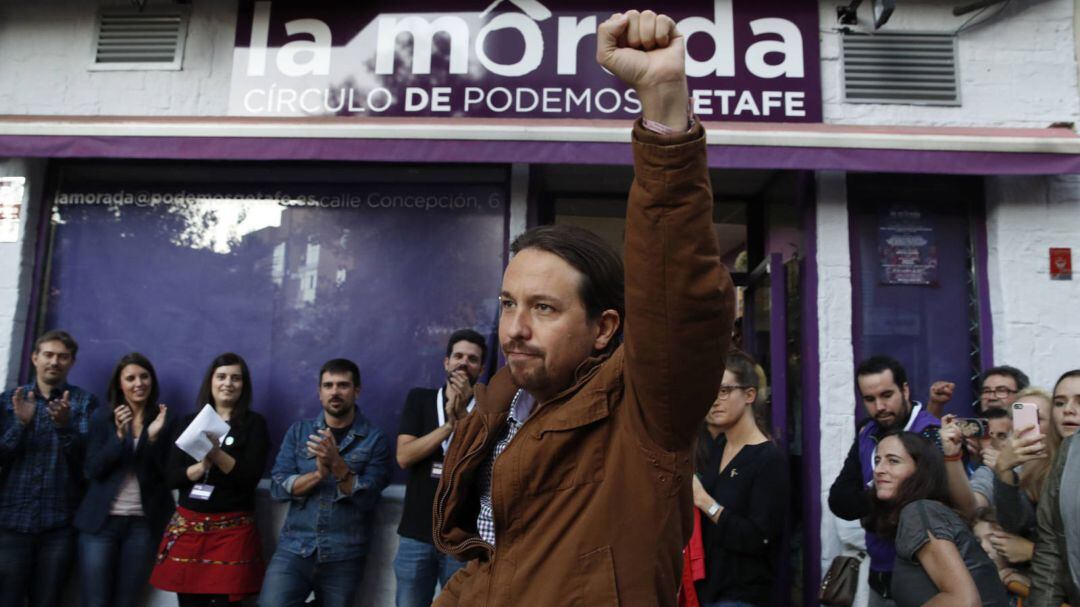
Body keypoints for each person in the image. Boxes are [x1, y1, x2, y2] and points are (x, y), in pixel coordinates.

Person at [431, 11, 734, 605]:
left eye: (544, 308)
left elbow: (682, 301)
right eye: (508, 303)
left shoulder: (646, 411)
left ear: (604, 329)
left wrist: (665, 109)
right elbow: (496, 556)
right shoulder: (500, 402)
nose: (515, 329)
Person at [828, 355, 976, 607]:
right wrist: (889, 499)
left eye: (887, 395)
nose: (879, 407)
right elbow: (839, 501)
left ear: (905, 390)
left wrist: (872, 504)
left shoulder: (932, 433)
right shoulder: (867, 431)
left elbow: (948, 506)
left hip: (927, 575)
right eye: (870, 399)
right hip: (879, 572)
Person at [260, 358, 392, 607]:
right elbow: (278, 488)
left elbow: (368, 498)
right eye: (328, 385)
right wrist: (318, 475)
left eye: (343, 385)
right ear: (319, 392)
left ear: (356, 391)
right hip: (295, 548)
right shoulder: (299, 432)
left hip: (345, 553)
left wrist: (337, 464)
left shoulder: (375, 440)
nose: (335, 392)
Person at [150, 353, 270, 607]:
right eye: (222, 377)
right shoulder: (188, 422)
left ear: (244, 385)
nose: (228, 383)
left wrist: (215, 453)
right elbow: (172, 477)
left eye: (236, 378)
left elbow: (248, 478)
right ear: (211, 381)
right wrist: (202, 465)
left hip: (232, 533)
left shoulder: (254, 424)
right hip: (189, 529)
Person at [0, 330, 99, 607]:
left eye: (62, 356)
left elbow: (88, 464)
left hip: (58, 525)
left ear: (72, 362)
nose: (54, 362)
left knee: (48, 600)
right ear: (34, 358)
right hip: (11, 522)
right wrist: (20, 425)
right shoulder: (9, 400)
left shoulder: (83, 402)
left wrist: (64, 427)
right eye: (48, 355)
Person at [74, 352, 176, 607]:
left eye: (144, 376)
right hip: (101, 523)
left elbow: (168, 474)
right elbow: (92, 470)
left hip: (142, 525)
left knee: (128, 601)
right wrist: (119, 438)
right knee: (95, 601)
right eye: (130, 378)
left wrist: (152, 440)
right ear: (120, 384)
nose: (138, 383)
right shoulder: (102, 417)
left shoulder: (165, 419)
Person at [393, 329, 485, 607]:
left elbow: (484, 464)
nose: (463, 363)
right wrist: (448, 427)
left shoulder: (488, 411)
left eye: (472, 359)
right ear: (446, 362)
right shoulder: (420, 399)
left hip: (463, 538)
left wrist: (465, 417)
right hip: (416, 534)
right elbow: (404, 456)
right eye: (458, 356)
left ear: (481, 368)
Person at [865, 431, 1009, 607]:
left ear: (921, 470)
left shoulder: (919, 512)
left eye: (893, 461)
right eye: (878, 461)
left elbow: (964, 602)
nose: (879, 470)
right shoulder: (924, 512)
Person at [691, 351, 787, 607]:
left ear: (749, 395)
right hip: (706, 589)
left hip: (741, 595)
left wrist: (705, 502)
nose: (714, 400)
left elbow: (758, 537)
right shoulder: (718, 446)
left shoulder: (768, 459)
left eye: (723, 390)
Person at [1021, 370, 1080, 607]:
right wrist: (1004, 473)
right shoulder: (1069, 453)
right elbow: (1051, 547)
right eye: (1060, 402)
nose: (1068, 410)